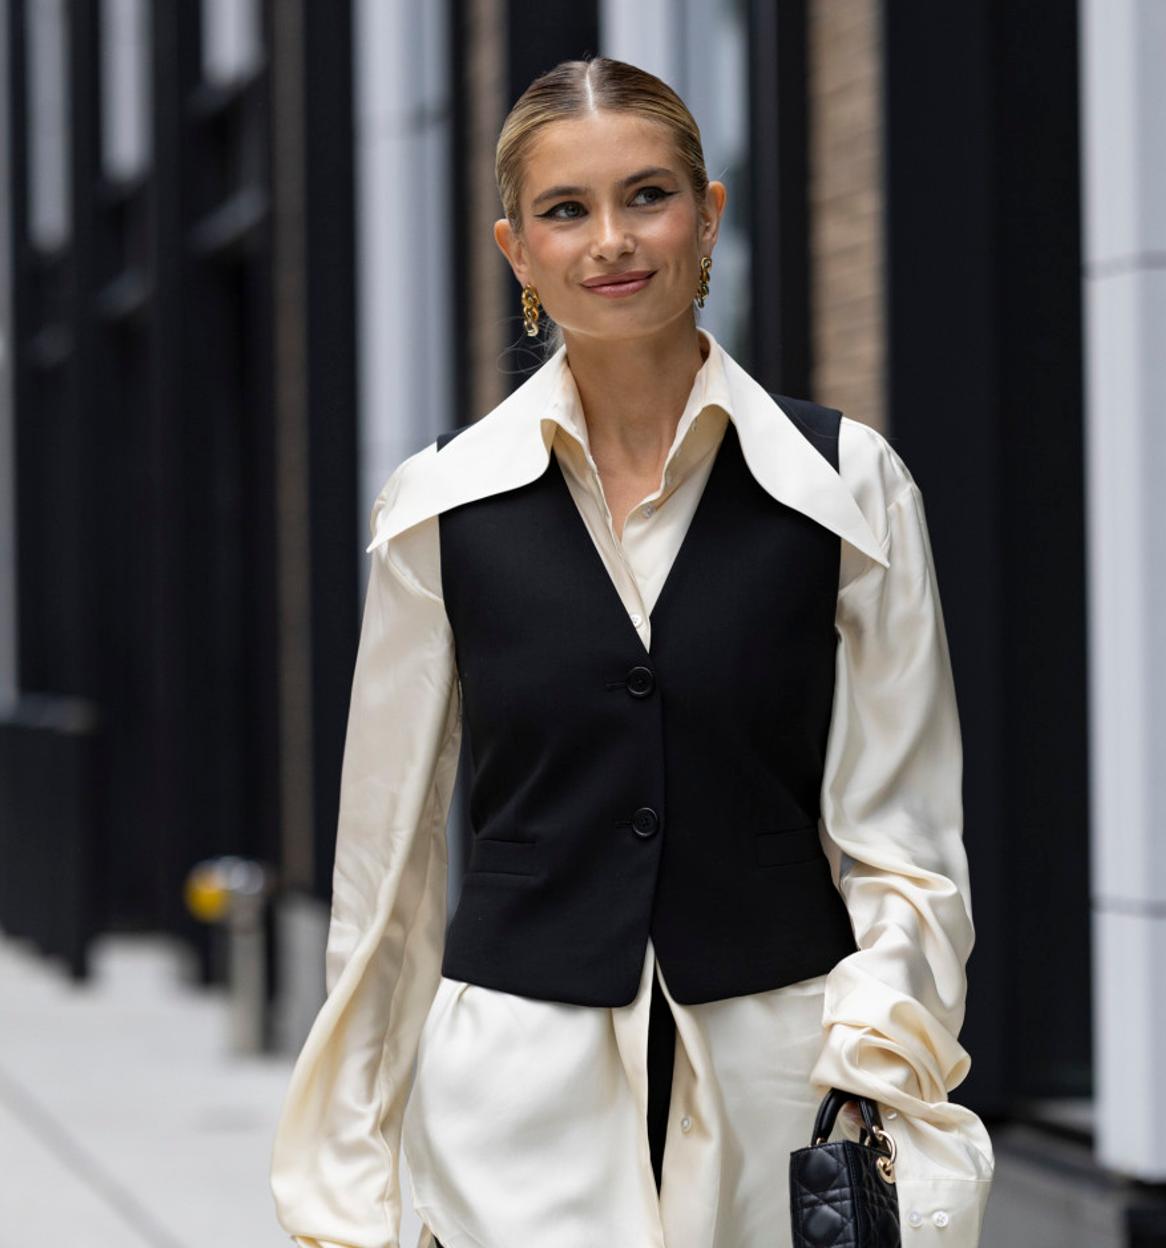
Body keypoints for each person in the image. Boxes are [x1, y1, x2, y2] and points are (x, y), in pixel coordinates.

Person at [269, 55, 994, 1248]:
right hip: (515, 1092)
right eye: (567, 210)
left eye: (647, 196)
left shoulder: (847, 485)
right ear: (517, 251)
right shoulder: (438, 507)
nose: (612, 239)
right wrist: (348, 1178)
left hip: (782, 1089)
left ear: (707, 216)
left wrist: (872, 1058)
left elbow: (906, 842)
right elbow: (383, 878)